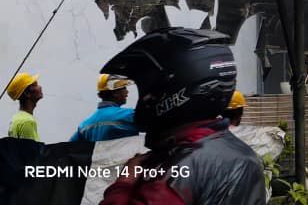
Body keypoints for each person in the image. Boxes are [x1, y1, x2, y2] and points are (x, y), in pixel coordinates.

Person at [98, 27, 264, 204]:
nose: (146, 98)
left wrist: (125, 181)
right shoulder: (243, 153)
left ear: (176, 89)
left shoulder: (174, 174)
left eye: (150, 89)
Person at [71, 74, 140, 142]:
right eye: (124, 88)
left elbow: (69, 146)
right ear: (115, 93)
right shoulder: (129, 115)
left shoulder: (84, 125)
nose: (127, 92)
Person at [5, 72, 41, 141]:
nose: (40, 87)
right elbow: (31, 148)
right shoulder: (27, 121)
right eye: (35, 85)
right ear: (27, 93)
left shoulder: (17, 118)